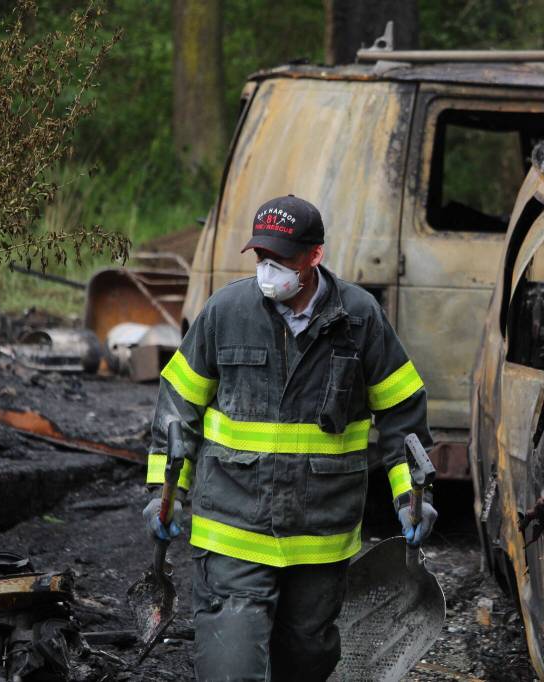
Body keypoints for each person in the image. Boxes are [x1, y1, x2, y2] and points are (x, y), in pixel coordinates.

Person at [141, 195, 438, 681]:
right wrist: (160, 494)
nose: (268, 270)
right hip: (232, 530)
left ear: (314, 256)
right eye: (261, 258)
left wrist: (412, 498)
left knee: (305, 661)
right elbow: (178, 408)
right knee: (231, 668)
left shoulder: (360, 320)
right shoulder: (226, 313)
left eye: (280, 259)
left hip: (320, 536)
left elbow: (402, 418)